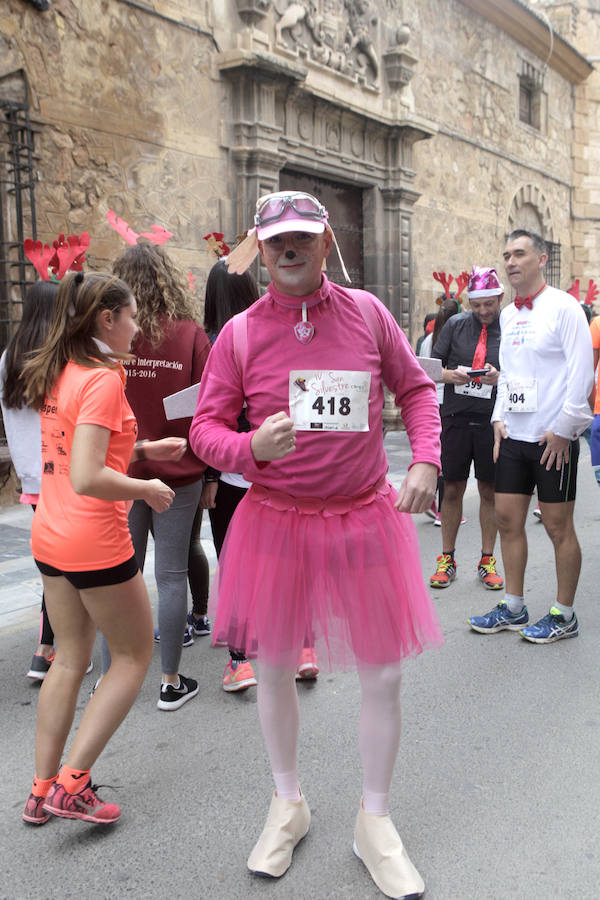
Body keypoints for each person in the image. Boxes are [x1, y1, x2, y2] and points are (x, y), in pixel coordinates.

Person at [189, 189, 443, 899]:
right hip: (276, 517)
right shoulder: (238, 333)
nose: (289, 249)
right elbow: (203, 430)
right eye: (276, 241)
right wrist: (247, 446)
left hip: (363, 515)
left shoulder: (369, 314)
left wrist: (424, 459)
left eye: (302, 236)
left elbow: (418, 391)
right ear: (260, 250)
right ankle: (287, 802)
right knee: (271, 667)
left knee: (384, 675)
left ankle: (376, 820)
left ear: (327, 243)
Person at [20, 271, 179, 826]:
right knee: (134, 657)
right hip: (94, 539)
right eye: (132, 316)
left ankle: (41, 791)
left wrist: (146, 447)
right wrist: (147, 487)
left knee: (69, 659)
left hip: (51, 535)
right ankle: (74, 784)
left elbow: (76, 453)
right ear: (107, 319)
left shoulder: (56, 366)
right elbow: (88, 475)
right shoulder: (103, 378)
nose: (139, 327)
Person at [469, 229, 594, 641]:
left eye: (519, 254)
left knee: (559, 527)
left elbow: (582, 376)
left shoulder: (565, 308)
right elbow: (510, 375)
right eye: (506, 254)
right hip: (514, 437)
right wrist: (499, 418)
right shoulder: (508, 314)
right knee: (507, 521)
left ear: (541, 259)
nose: (510, 262)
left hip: (552, 440)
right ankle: (514, 605)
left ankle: (564, 613)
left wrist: (564, 430)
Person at [111, 242, 211, 710]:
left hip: (122, 468)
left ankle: (113, 675)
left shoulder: (111, 336)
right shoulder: (190, 335)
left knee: (121, 572)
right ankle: (170, 681)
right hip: (179, 469)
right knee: (172, 576)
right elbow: (211, 407)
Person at [429, 266, 504, 591]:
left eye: (489, 304)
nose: (484, 311)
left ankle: (488, 560)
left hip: (492, 422)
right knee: (452, 489)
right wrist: (451, 375)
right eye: (477, 305)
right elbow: (429, 368)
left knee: (489, 491)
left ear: (500, 297)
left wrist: (499, 377)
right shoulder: (455, 325)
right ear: (469, 302)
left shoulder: (510, 328)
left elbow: (523, 373)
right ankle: (447, 558)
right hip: (456, 419)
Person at [0, 281, 60, 679]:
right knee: (65, 567)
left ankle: (49, 648)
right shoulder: (57, 358)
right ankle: (49, 648)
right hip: (63, 473)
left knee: (52, 565)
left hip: (33, 479)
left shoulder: (9, 357)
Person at [419, 296, 464, 526]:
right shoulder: (455, 338)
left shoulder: (427, 340)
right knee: (447, 458)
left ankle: (432, 503)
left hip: (429, 401)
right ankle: (442, 511)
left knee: (434, 454)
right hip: (446, 402)